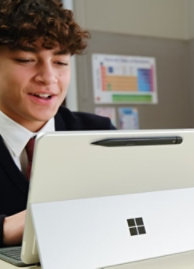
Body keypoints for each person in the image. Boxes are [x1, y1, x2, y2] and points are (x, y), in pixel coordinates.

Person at [0, 0, 115, 246]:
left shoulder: (98, 134)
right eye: (25, 59)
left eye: (61, 62)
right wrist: (7, 228)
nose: (49, 78)